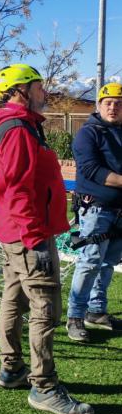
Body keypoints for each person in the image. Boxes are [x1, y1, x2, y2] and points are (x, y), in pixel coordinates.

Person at [0, 63, 93, 414]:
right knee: (45, 307)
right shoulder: (17, 129)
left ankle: (11, 368)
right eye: (38, 87)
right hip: (27, 233)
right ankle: (44, 386)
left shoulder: (22, 125)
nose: (44, 93)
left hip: (17, 231)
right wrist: (33, 239)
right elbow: (17, 187)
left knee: (13, 296)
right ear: (21, 91)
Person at [66, 82, 122, 342]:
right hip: (96, 210)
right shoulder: (88, 133)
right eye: (108, 102)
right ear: (98, 105)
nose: (114, 107)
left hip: (118, 212)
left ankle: (96, 311)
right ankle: (75, 317)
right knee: (89, 263)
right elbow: (91, 170)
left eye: (119, 103)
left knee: (108, 262)